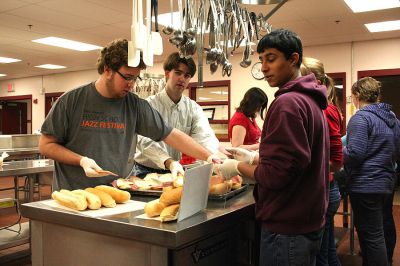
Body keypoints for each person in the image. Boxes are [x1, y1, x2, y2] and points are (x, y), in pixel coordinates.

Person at [215, 29, 330, 265]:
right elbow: (297, 159)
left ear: (293, 59)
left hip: (287, 227)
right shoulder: (309, 101)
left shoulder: (287, 103)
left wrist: (236, 166)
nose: (264, 68)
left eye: (271, 58)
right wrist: (257, 157)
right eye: (261, 60)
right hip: (307, 219)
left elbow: (277, 175)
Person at [39, 39, 217, 191]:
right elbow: (46, 145)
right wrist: (81, 160)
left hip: (117, 192)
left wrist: (209, 157)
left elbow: (170, 134)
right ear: (107, 70)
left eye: (135, 78)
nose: (131, 84)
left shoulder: (134, 105)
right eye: (127, 77)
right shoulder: (72, 101)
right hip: (74, 194)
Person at [133, 52, 219, 178]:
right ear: (167, 73)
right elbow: (144, 142)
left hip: (175, 170)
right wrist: (169, 162)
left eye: (187, 75)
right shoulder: (148, 105)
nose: (182, 79)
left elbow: (205, 137)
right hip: (145, 171)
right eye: (178, 73)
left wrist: (213, 158)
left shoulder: (193, 108)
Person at [344, 77, 400, 266]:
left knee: (371, 236)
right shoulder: (392, 118)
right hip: (386, 183)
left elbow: (354, 154)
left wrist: (334, 150)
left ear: (357, 95)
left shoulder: (361, 118)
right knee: (381, 228)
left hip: (365, 185)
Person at [301, 57, 343, 266]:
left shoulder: (325, 109)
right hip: (328, 186)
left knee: (320, 255)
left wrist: (307, 165)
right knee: (326, 250)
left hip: (326, 187)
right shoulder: (323, 106)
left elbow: (336, 159)